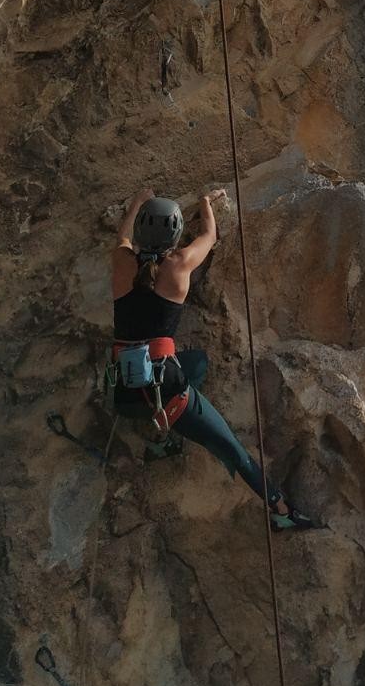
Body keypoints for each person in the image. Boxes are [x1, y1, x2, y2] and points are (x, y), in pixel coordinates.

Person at [109, 188, 319, 531]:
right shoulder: (178, 266)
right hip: (166, 395)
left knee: (198, 362)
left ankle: (164, 442)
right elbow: (209, 235)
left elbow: (123, 236)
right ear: (175, 236)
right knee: (231, 447)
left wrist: (136, 203)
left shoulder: (121, 261)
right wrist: (207, 201)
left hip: (123, 394)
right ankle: (281, 511)